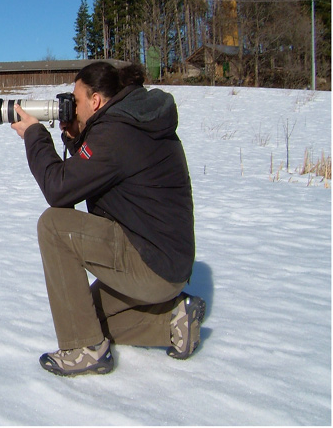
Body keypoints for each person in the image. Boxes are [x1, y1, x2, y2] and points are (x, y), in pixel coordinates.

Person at [11, 61, 205, 376]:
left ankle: (84, 350)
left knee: (53, 225)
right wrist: (76, 140)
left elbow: (59, 189)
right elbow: (95, 171)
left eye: (76, 101)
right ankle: (173, 321)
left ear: (97, 101)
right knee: (83, 316)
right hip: (167, 263)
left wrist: (35, 134)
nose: (70, 108)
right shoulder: (134, 119)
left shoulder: (116, 133)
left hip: (152, 266)